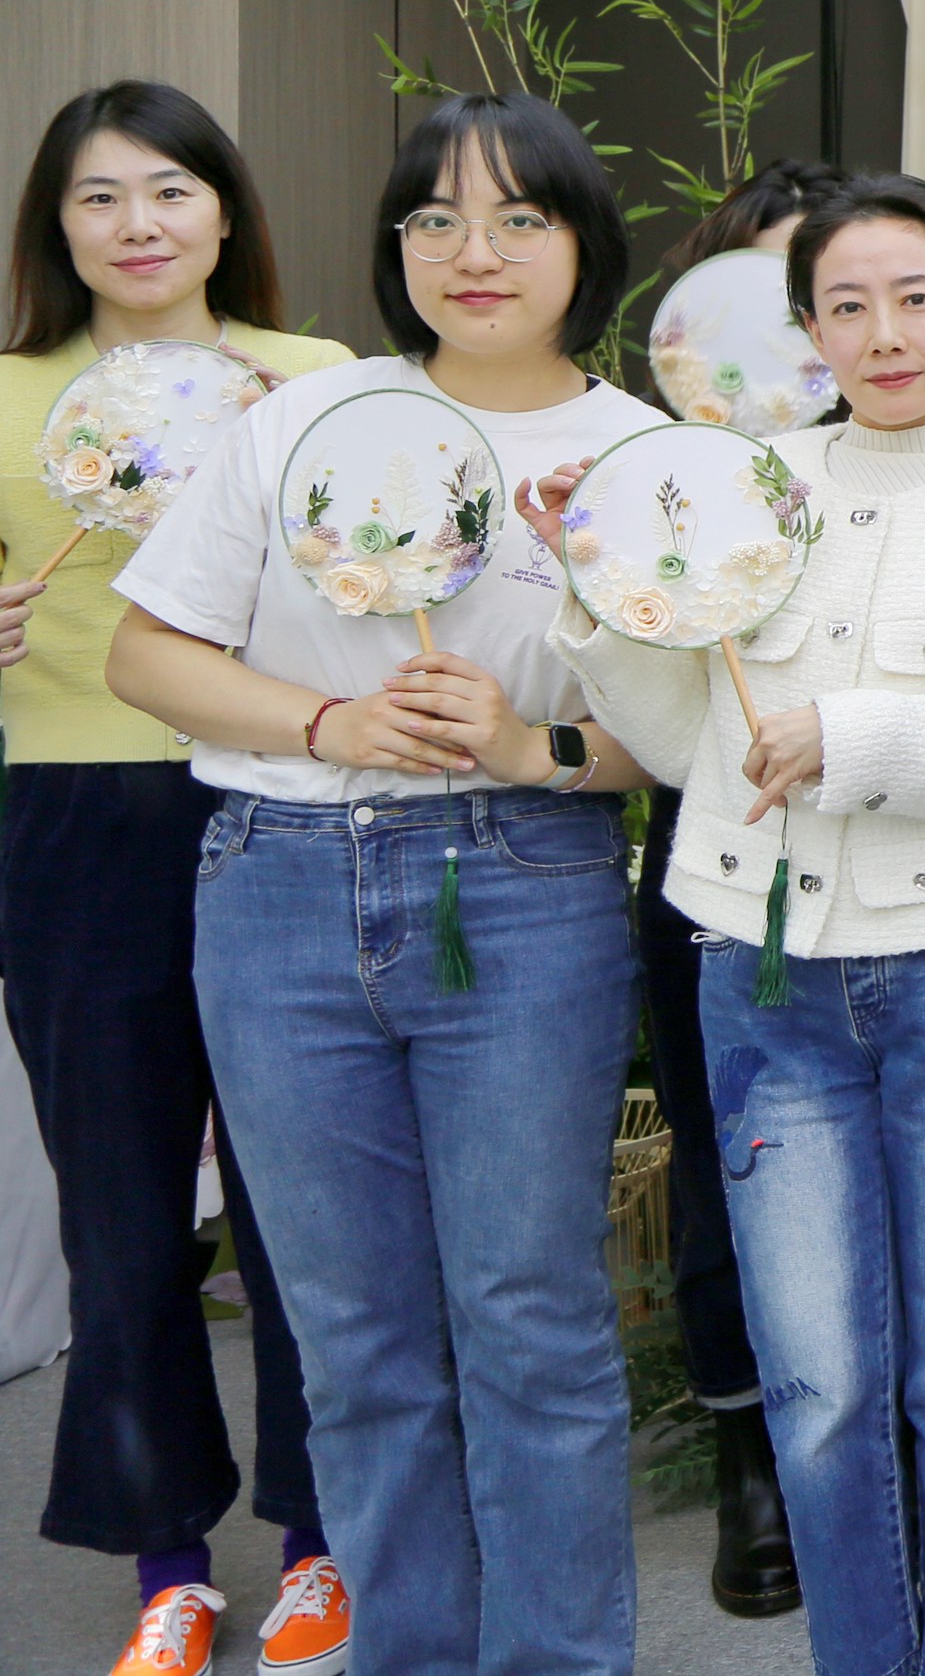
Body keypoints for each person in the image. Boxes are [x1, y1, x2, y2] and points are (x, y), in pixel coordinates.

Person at [106, 93, 659, 1676]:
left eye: (518, 218)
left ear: (582, 242)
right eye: (435, 218)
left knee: (531, 1320)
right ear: (394, 243)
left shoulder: (642, 457)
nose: (473, 251)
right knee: (352, 1339)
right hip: (278, 881)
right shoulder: (306, 419)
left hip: (523, 886)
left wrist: (534, 741)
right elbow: (147, 652)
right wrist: (329, 720)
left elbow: (689, 732)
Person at [539, 174, 925, 1676]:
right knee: (819, 1389)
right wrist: (600, 592)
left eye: (916, 298)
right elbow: (688, 741)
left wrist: (854, 737)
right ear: (808, 331)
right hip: (765, 971)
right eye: (846, 306)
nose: (884, 333)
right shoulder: (744, 489)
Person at [0, 85, 353, 1676]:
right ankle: (168, 1560)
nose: (137, 223)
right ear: (56, 224)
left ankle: (321, 1537)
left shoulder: (314, 379)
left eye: (168, 190)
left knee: (304, 1199)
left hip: (278, 798)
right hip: (73, 818)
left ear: (223, 210)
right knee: (124, 1213)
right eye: (99, 196)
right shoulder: (8, 393)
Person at [632, 154, 845, 1620]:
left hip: (897, 849)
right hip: (715, 855)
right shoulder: (656, 473)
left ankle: (873, 1447)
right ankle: (750, 1460)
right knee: (730, 1151)